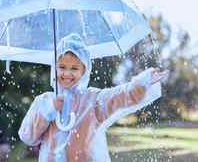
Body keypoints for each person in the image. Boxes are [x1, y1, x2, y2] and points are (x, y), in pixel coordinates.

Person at [18, 33, 168, 162]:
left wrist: (145, 82)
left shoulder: (92, 100)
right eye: (62, 67)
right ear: (54, 67)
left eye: (74, 69)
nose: (67, 74)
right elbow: (27, 136)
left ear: (84, 71)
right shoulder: (44, 101)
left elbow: (119, 96)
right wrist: (48, 110)